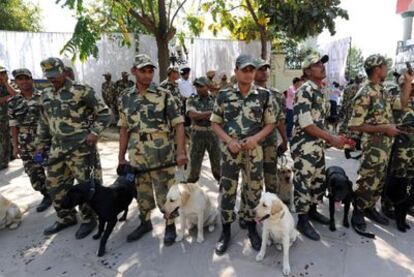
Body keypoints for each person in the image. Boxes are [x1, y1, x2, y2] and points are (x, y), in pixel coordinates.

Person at [36, 57, 111, 238]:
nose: (52, 78)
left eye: (55, 74)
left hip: (81, 149)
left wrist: (94, 133)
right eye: (49, 76)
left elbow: (104, 113)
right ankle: (65, 217)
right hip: (57, 149)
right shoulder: (45, 95)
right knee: (54, 186)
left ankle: (89, 219)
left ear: (63, 71)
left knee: (87, 187)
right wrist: (40, 146)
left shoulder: (81, 90)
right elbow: (44, 123)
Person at [118, 54, 187, 246]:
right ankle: (145, 222)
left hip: (161, 152)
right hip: (136, 152)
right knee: (141, 190)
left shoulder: (164, 95)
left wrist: (181, 151)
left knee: (166, 190)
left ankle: (170, 224)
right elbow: (123, 128)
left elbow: (179, 125)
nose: (148, 75)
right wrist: (121, 156)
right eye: (143, 71)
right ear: (134, 72)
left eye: (150, 71)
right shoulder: (125, 97)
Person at [211, 54, 275, 255]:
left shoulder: (264, 95)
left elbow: (270, 123)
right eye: (245, 70)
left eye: (252, 70)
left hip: (253, 151)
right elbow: (215, 122)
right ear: (236, 71)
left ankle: (251, 227)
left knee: (253, 190)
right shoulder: (223, 95)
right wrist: (229, 141)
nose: (249, 74)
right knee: (228, 189)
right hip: (230, 151)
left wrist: (256, 139)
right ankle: (226, 231)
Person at [349, 54, 412, 232]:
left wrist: (408, 82)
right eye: (385, 65)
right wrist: (384, 128)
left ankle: (369, 208)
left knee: (378, 180)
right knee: (367, 179)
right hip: (373, 147)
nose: (387, 68)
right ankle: (358, 213)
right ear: (377, 69)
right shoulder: (366, 91)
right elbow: (355, 125)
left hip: (385, 147)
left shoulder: (383, 90)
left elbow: (403, 103)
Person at [291, 51, 346, 241]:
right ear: (307, 71)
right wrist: (331, 138)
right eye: (316, 64)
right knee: (303, 183)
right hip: (304, 147)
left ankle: (312, 211)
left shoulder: (319, 90)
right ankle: (302, 220)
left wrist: (334, 139)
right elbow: (306, 124)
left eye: (322, 63)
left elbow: (319, 122)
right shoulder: (304, 90)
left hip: (317, 146)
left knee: (317, 182)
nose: (322, 66)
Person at [238, 58, 289, 229]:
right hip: (252, 144)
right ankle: (246, 212)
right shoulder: (246, 92)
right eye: (260, 69)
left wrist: (285, 140)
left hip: (270, 143)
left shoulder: (275, 94)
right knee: (250, 180)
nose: (264, 72)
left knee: (271, 177)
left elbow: (280, 119)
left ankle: (271, 211)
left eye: (266, 69)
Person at [8, 68, 51, 212]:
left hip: (46, 139)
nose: (24, 81)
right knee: (34, 174)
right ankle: (47, 194)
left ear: (31, 79)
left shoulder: (44, 96)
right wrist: (15, 146)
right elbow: (13, 126)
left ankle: (61, 197)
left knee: (54, 170)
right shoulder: (13, 102)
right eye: (20, 79)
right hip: (25, 142)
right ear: (16, 82)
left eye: (26, 78)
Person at [186, 76, 221, 183]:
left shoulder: (216, 99)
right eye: (197, 86)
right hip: (197, 135)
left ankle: (224, 192)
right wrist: (210, 114)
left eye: (201, 86)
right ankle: (189, 191)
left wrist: (201, 114)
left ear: (207, 87)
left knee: (218, 166)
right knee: (193, 167)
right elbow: (192, 115)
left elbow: (220, 116)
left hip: (213, 134)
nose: (198, 88)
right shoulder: (192, 99)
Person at [0, 66, 16, 170]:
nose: (1, 76)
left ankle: (6, 160)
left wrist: (5, 83)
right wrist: (7, 98)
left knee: (7, 139)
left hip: (9, 118)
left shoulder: (10, 84)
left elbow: (15, 94)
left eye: (3, 73)